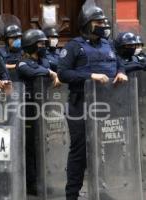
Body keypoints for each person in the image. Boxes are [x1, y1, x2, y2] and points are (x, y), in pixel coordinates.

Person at [57, 6, 127, 200]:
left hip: (107, 106)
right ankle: (72, 195)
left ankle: (101, 190)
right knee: (80, 152)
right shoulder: (73, 46)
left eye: (104, 22)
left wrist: (121, 72)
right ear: (87, 24)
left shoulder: (109, 44)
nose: (103, 25)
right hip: (80, 106)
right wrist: (90, 76)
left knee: (106, 150)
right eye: (99, 22)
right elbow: (63, 73)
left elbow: (119, 63)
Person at [16, 28, 59, 195]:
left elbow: (60, 68)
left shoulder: (45, 61)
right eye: (40, 43)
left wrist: (55, 73)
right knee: (30, 148)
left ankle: (42, 180)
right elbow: (33, 72)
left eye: (43, 43)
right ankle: (31, 183)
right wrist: (50, 73)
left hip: (44, 109)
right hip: (28, 111)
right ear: (30, 45)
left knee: (43, 145)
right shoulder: (22, 63)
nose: (43, 46)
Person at [0, 14, 23, 81]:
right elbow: (0, 66)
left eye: (19, 37)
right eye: (14, 38)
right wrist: (17, 66)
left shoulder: (24, 51)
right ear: (7, 40)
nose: (17, 40)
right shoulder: (0, 52)